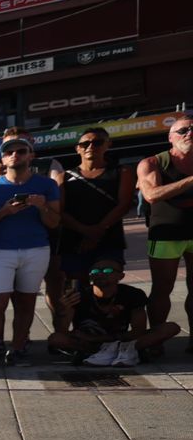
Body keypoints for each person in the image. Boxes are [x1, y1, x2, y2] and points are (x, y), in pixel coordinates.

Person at [0, 134, 61, 367]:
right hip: (0, 251)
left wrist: (41, 206)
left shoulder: (47, 185)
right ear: (2, 158)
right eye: (8, 152)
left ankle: (18, 348)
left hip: (36, 249)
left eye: (20, 151)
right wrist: (3, 212)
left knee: (26, 303)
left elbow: (54, 222)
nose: (14, 155)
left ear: (31, 155)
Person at [47, 129, 133, 338]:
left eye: (96, 142)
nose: (90, 147)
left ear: (107, 145)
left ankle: (109, 330)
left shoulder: (122, 172)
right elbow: (61, 211)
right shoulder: (64, 176)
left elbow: (124, 205)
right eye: (84, 144)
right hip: (74, 241)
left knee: (107, 284)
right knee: (76, 292)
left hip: (109, 239)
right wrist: (85, 231)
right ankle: (77, 332)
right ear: (77, 148)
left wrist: (97, 231)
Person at [50, 263, 179, 367]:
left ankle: (112, 352)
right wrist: (62, 310)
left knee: (170, 328)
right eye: (95, 272)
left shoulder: (132, 294)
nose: (100, 274)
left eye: (107, 270)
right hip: (89, 343)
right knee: (55, 338)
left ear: (120, 276)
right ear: (90, 277)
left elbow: (138, 331)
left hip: (120, 342)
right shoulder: (79, 296)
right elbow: (62, 330)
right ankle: (105, 353)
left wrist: (96, 339)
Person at [138, 113, 193, 355]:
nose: (189, 133)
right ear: (170, 137)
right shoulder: (153, 162)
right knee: (162, 289)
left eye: (192, 129)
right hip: (166, 233)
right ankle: (156, 339)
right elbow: (152, 195)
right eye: (183, 130)